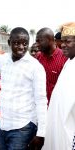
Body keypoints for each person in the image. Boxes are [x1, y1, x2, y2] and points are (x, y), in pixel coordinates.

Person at [0, 27, 47, 150]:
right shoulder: (3, 60)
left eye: (25, 44)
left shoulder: (35, 67)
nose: (21, 47)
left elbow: (41, 101)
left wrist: (41, 133)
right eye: (16, 43)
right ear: (9, 43)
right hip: (2, 126)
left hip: (23, 128)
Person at [42, 22, 75, 150]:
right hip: (60, 132)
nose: (62, 45)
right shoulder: (69, 62)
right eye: (62, 41)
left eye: (68, 41)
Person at [36, 28, 67, 105]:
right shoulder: (37, 58)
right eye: (36, 41)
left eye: (39, 41)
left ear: (50, 40)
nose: (37, 44)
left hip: (58, 107)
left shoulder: (64, 58)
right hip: (40, 107)